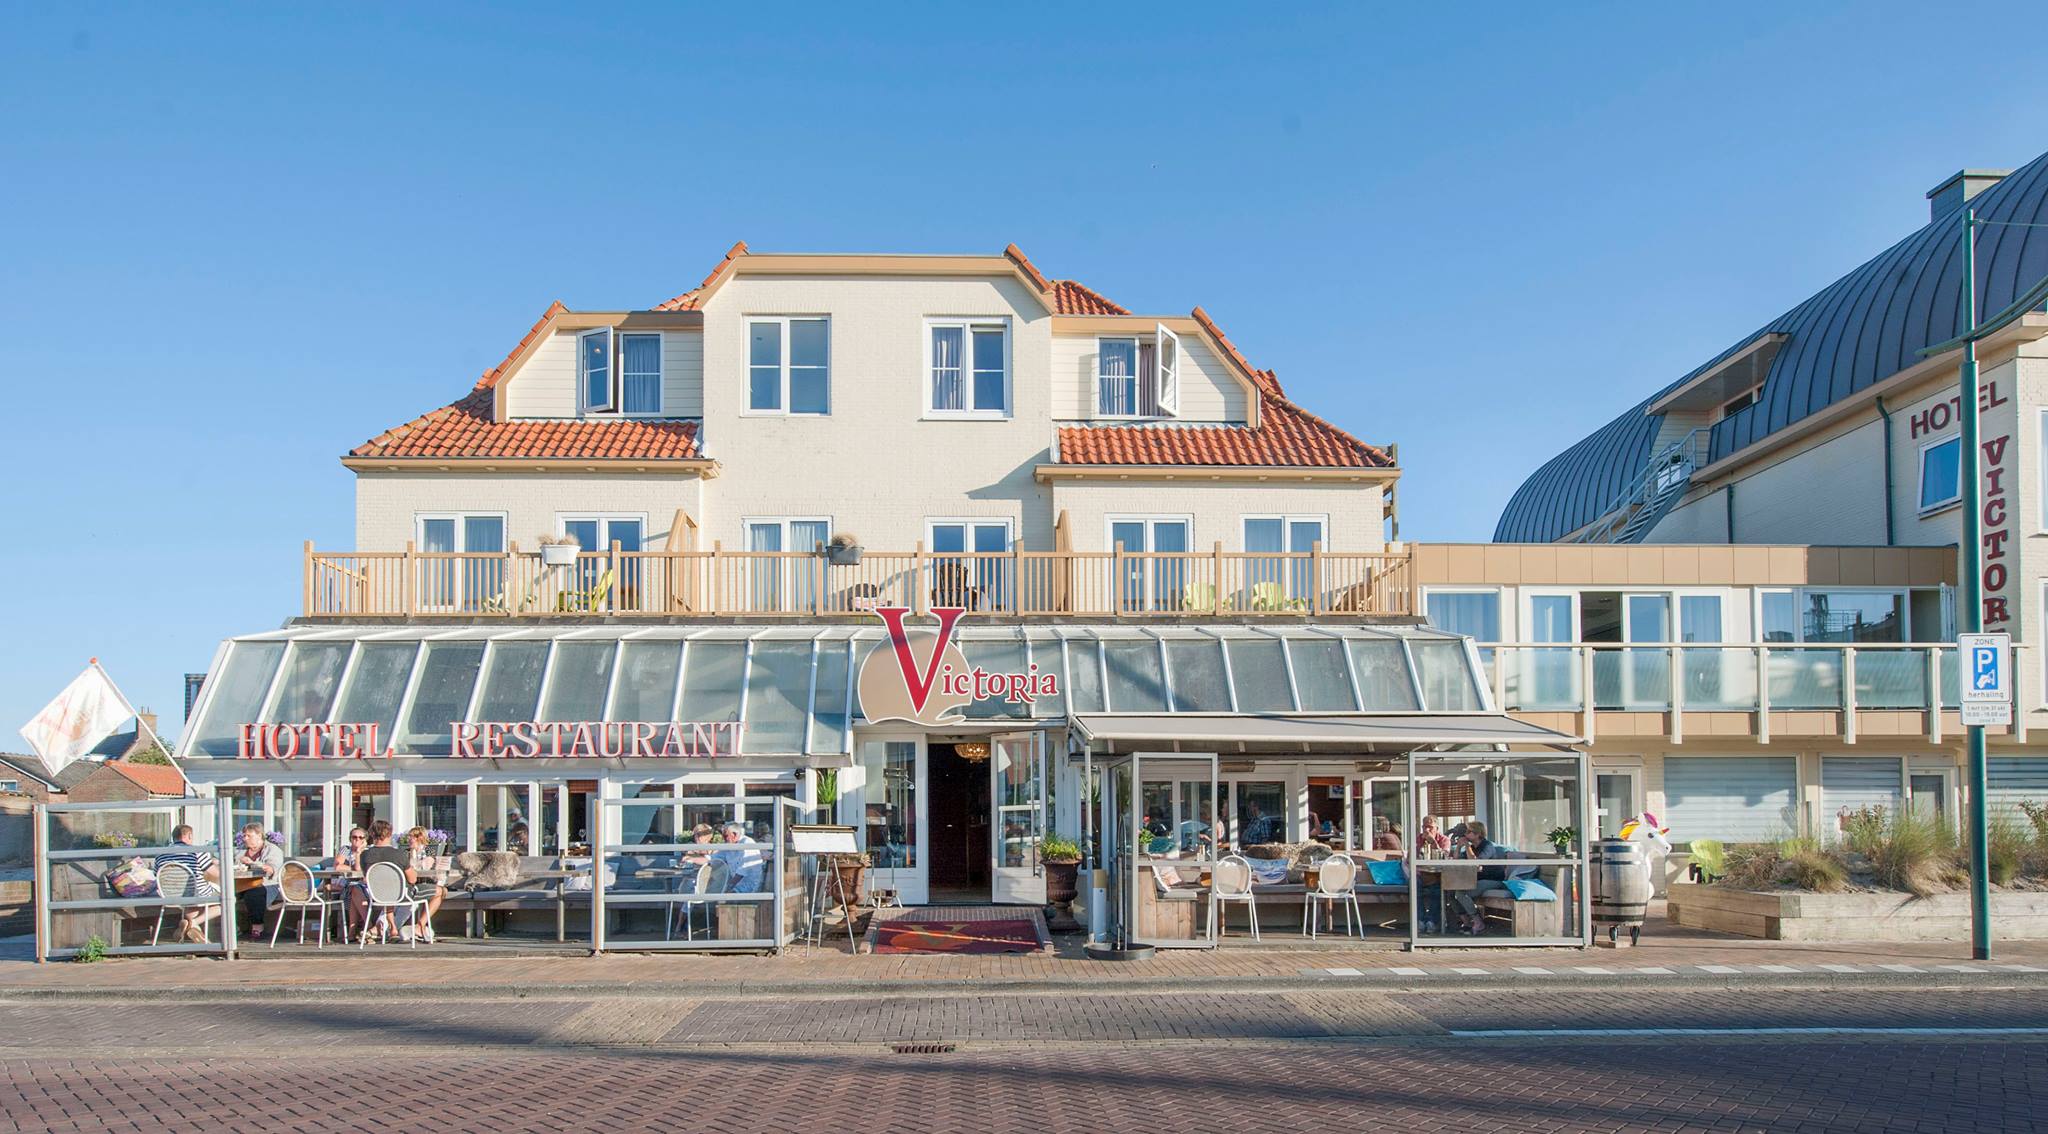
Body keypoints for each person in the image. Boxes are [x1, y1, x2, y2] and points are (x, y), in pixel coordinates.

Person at [353, 820, 425, 943]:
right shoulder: (399, 854)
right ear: (389, 834)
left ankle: (387, 929)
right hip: (402, 894)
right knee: (439, 891)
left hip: (376, 894)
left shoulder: (365, 855)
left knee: (387, 891)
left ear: (371, 834)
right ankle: (418, 926)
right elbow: (412, 879)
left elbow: (367, 876)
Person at [1451, 820, 1525, 935]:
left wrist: (1466, 845)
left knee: (1461, 893)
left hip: (1494, 880)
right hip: (1477, 879)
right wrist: (1459, 846)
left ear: (1478, 834)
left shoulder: (1487, 846)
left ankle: (1478, 922)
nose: (1466, 834)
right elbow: (1456, 861)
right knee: (1450, 892)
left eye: (1469, 832)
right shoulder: (1472, 847)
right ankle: (1467, 923)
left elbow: (1475, 863)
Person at [153, 824, 221, 943]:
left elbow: (156, 875)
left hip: (169, 896)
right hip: (195, 893)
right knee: (227, 900)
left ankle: (190, 928)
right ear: (189, 835)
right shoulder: (197, 852)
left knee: (192, 910)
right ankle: (193, 924)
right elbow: (215, 874)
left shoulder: (160, 854)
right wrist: (215, 864)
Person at [231, 823, 284, 941]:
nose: (245, 838)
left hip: (266, 884)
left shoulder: (272, 850)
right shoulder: (240, 851)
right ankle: (232, 927)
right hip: (241, 883)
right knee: (225, 894)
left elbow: (271, 870)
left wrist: (252, 863)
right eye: (244, 836)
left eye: (249, 836)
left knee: (254, 894)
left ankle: (257, 927)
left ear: (259, 835)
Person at [402, 826, 448, 940]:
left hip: (427, 882)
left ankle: (421, 925)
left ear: (419, 838)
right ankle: (420, 926)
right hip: (411, 885)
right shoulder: (405, 852)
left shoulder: (429, 850)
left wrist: (414, 862)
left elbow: (426, 866)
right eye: (409, 837)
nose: (409, 840)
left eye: (411, 837)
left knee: (441, 891)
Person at [718, 822, 765, 893]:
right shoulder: (730, 845)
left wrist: (727, 887)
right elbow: (713, 858)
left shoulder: (747, 843)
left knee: (720, 897)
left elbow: (742, 872)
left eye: (725, 836)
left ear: (734, 834)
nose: (724, 839)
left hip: (749, 888)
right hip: (737, 886)